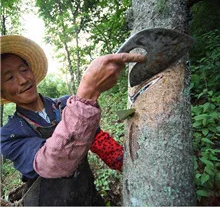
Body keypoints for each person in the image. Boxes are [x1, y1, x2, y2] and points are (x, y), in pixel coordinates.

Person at [0, 35, 145, 206]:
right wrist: (88, 93)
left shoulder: (65, 105)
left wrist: (136, 168)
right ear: (2, 92)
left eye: (24, 70)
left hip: (87, 197)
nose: (23, 80)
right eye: (9, 78)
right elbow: (52, 163)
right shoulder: (9, 135)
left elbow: (99, 141)